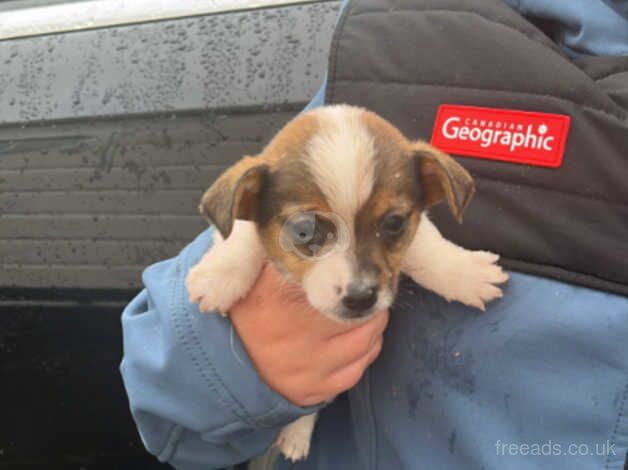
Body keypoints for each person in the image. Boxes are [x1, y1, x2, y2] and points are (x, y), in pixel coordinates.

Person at [120, 1, 628, 469]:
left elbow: (416, 228)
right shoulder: (393, 40)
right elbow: (246, 225)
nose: (360, 279)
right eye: (309, 232)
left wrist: (445, 268)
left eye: (389, 227)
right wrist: (236, 352)